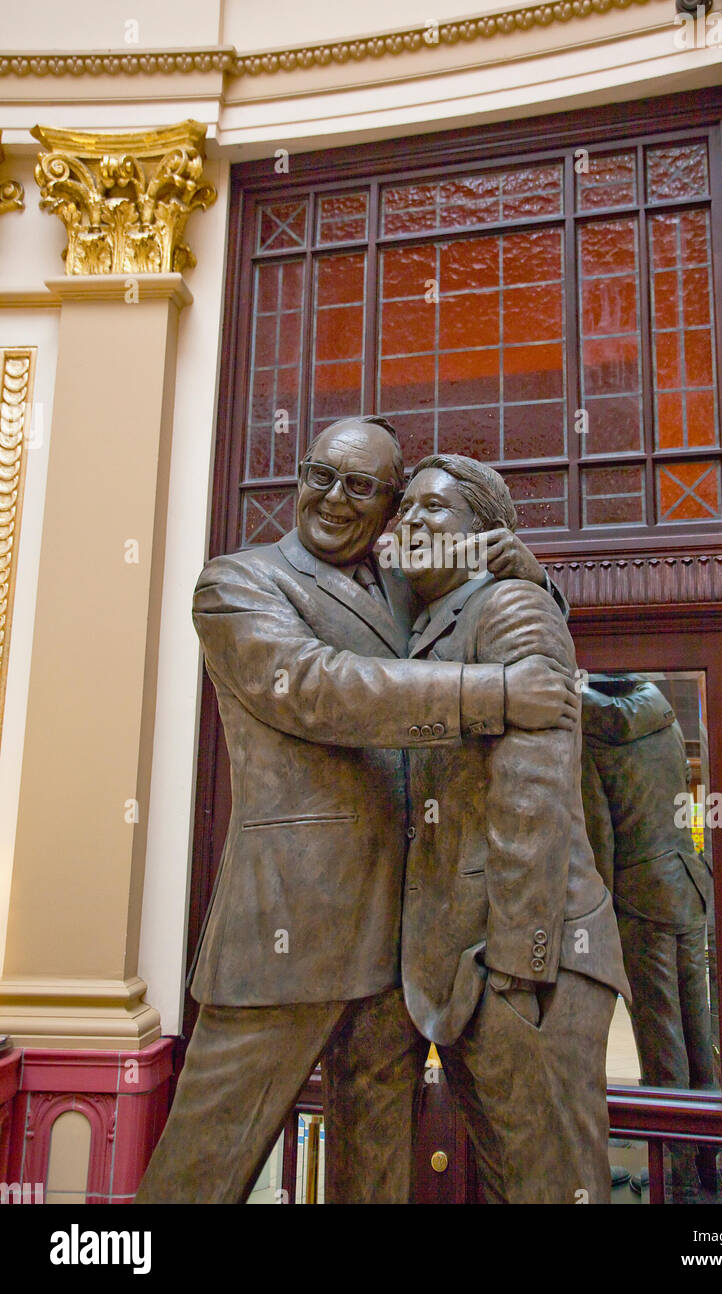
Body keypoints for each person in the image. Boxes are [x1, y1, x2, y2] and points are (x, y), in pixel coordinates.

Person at [136, 416, 575, 1204]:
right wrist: (498, 695)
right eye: (319, 475)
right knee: (201, 1169)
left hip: (405, 942)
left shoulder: (408, 579)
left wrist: (533, 577)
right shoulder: (239, 583)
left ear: (390, 502)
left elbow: (496, 603)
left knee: (374, 1174)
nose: (334, 498)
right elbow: (316, 687)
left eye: (362, 486)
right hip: (287, 933)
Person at [395, 453, 630, 1204]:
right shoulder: (428, 622)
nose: (410, 522)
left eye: (434, 509)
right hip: (468, 969)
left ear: (485, 534)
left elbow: (533, 799)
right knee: (510, 1180)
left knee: (552, 1186)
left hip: (530, 965)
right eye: (404, 511)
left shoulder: (509, 608)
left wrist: (520, 969)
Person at [580, 674, 717, 1198]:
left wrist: (599, 914)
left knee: (661, 1043)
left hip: (639, 896)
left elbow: (600, 837)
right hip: (688, 883)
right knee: (697, 1035)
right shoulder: (665, 717)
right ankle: (710, 1167)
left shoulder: (590, 735)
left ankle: (677, 1182)